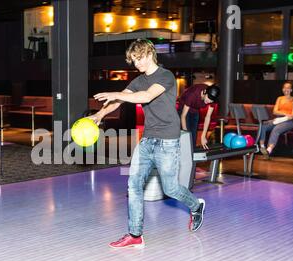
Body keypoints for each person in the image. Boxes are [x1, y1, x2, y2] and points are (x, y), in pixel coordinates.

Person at [89, 39, 205, 249]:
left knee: (170, 189)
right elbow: (120, 100)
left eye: (138, 58)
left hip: (168, 140)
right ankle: (135, 234)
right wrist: (100, 114)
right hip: (148, 139)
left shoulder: (165, 76)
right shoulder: (138, 81)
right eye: (133, 60)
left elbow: (148, 95)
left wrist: (115, 94)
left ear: (150, 53)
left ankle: (196, 205)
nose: (136, 64)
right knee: (133, 185)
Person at [259, 82, 293, 159]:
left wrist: (283, 115)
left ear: (291, 90)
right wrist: (286, 114)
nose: (286, 89)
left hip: (288, 122)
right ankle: (262, 147)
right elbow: (274, 111)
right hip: (277, 119)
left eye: (288, 88)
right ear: (282, 89)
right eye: (284, 88)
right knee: (263, 125)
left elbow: (292, 115)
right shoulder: (279, 98)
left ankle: (268, 150)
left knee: (276, 129)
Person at [178, 84, 220, 149]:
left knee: (193, 136)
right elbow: (183, 115)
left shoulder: (212, 100)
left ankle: (192, 154)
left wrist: (203, 136)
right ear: (205, 92)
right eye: (208, 98)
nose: (209, 101)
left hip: (195, 110)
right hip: (183, 109)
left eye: (211, 101)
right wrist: (185, 133)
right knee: (187, 135)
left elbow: (208, 117)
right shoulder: (193, 95)